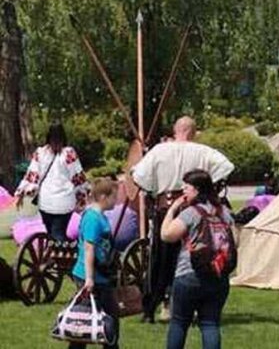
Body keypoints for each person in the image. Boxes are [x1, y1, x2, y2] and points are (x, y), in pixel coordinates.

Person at [131, 116, 234, 323]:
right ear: (192, 132)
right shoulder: (203, 151)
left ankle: (152, 308)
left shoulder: (160, 150)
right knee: (195, 255)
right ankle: (192, 305)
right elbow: (226, 167)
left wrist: (153, 187)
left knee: (161, 260)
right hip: (195, 210)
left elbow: (139, 176)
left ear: (176, 130)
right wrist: (207, 186)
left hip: (166, 208)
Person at [161, 169, 235, 349]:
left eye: (186, 187)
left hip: (189, 273)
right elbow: (235, 241)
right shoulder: (223, 212)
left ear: (197, 190)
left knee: (179, 322)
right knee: (210, 323)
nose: (183, 191)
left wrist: (171, 210)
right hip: (218, 274)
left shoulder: (190, 213)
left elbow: (166, 235)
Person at [13, 121, 88, 242]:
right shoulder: (69, 154)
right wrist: (84, 196)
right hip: (64, 202)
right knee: (58, 234)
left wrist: (21, 192)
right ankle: (59, 256)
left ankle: (56, 253)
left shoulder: (40, 153)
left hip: (46, 202)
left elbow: (32, 176)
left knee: (52, 233)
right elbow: (78, 178)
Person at [70, 178, 120, 349]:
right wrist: (89, 279)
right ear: (104, 197)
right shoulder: (93, 218)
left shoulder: (100, 216)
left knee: (98, 320)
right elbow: (89, 248)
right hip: (91, 276)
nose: (117, 200)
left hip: (101, 275)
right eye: (115, 197)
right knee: (87, 321)